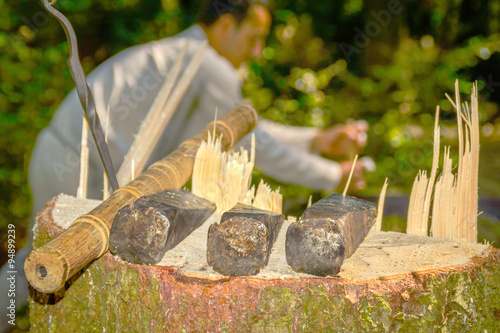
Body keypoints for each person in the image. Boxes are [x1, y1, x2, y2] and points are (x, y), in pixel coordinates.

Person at [1, 0, 368, 330]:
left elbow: (241, 128)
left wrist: (315, 140)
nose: (257, 51)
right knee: (47, 261)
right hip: (73, 167)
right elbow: (253, 143)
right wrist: (333, 173)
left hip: (61, 157)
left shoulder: (187, 56)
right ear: (226, 24)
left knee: (43, 263)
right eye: (253, 37)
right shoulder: (206, 66)